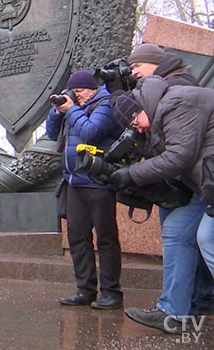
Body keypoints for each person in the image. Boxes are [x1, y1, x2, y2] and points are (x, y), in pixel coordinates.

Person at [110, 76, 214, 333]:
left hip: (209, 181)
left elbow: (179, 156)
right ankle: (173, 313)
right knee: (177, 231)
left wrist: (132, 174)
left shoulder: (176, 103)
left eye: (135, 122)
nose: (139, 129)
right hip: (206, 184)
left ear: (140, 110)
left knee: (207, 237)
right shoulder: (159, 113)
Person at [46, 70, 124, 309]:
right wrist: (57, 110)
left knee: (106, 239)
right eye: (74, 92)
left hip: (99, 182)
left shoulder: (105, 103)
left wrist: (71, 110)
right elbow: (52, 134)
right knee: (78, 238)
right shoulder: (74, 108)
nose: (77, 95)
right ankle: (85, 290)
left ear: (91, 88)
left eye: (79, 91)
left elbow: (91, 133)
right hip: (74, 182)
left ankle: (111, 293)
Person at [128, 43, 197, 86]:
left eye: (138, 66)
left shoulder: (176, 84)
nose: (134, 72)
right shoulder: (171, 80)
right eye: (132, 68)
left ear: (155, 62)